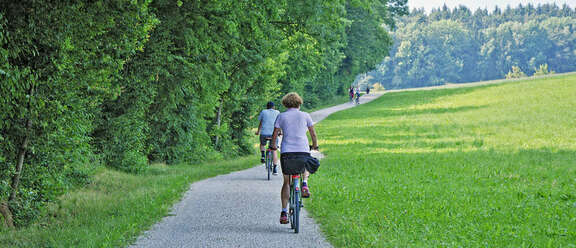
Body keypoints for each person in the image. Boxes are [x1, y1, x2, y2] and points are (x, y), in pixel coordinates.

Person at [270, 92, 318, 224]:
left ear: (285, 104)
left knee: (286, 182)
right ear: (299, 103)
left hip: (287, 152)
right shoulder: (305, 115)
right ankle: (304, 184)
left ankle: (284, 212)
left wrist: (273, 145)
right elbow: (313, 133)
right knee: (306, 163)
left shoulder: (281, 116)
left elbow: (275, 134)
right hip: (302, 149)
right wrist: (315, 145)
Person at [255, 101, 280, 175]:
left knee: (262, 144)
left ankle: (263, 155)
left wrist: (258, 131)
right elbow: (279, 124)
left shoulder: (263, 112)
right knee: (274, 150)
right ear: (274, 107)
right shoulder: (277, 112)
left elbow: (261, 122)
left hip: (264, 133)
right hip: (274, 134)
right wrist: (280, 132)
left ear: (267, 107)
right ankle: (275, 169)